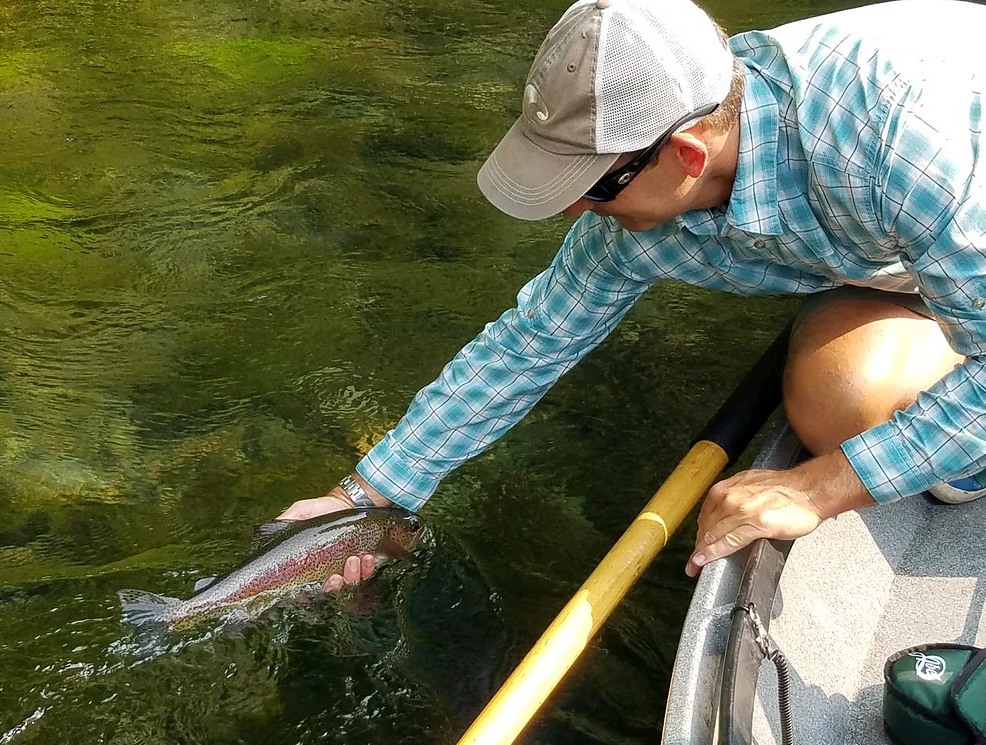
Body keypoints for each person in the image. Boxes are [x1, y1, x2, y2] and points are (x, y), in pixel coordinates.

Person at [282, 0, 986, 587]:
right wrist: (365, 499)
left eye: (588, 185)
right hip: (909, 242)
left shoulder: (898, 140)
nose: (567, 212)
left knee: (853, 432)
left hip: (947, 183)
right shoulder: (643, 202)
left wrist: (818, 487)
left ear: (685, 156)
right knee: (844, 401)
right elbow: (531, 343)